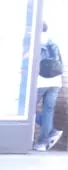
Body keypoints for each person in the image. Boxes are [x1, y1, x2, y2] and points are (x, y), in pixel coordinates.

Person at [34, 22, 63, 151]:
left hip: (40, 82)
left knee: (28, 110)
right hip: (56, 82)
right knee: (48, 112)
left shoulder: (36, 41)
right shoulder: (54, 41)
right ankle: (42, 142)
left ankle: (51, 131)